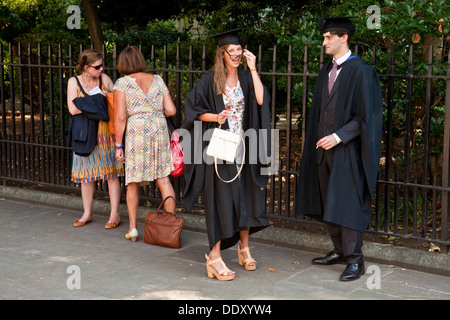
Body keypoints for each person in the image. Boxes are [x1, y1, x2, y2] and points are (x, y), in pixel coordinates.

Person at [295, 17, 383, 281]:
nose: (324, 42)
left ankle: (356, 260)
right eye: (324, 37)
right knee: (328, 201)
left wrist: (338, 136)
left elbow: (365, 117)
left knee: (347, 204)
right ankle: (339, 251)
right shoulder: (326, 71)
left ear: (344, 37)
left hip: (347, 151)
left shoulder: (361, 71)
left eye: (328, 37)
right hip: (323, 148)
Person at [181, 29, 272, 281]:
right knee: (219, 201)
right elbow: (193, 110)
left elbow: (262, 100)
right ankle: (214, 257)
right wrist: (215, 116)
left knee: (246, 196)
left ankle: (244, 249)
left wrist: (254, 69)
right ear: (221, 54)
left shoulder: (245, 77)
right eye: (231, 52)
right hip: (221, 147)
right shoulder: (210, 80)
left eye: (239, 51)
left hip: (244, 146)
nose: (236, 55)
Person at [114, 46, 176, 242]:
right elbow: (171, 110)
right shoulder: (158, 80)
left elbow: (121, 116)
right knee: (163, 179)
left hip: (136, 131)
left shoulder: (122, 83)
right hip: (158, 128)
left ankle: (133, 228)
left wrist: (118, 145)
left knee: (133, 181)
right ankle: (170, 227)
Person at [67, 49, 124, 229]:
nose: (101, 69)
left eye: (101, 65)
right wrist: (98, 103)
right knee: (86, 175)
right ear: (86, 67)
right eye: (97, 66)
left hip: (106, 133)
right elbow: (72, 109)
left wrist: (85, 103)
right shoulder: (73, 82)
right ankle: (87, 212)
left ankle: (114, 214)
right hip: (84, 134)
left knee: (112, 175)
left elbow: (114, 105)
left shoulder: (105, 79)